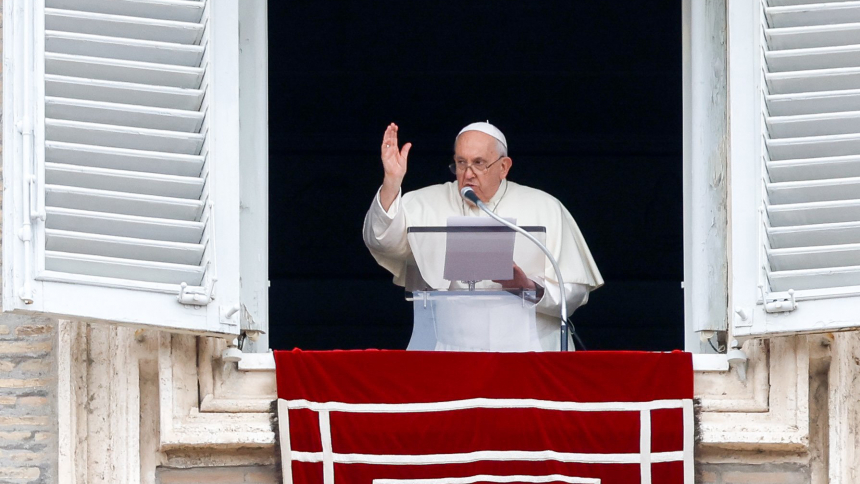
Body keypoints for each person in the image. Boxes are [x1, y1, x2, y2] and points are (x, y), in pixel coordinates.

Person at [363, 121, 603, 351]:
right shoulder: (426, 202)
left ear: (504, 167)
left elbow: (574, 292)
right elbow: (383, 241)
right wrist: (392, 182)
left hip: (528, 352)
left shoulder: (545, 207)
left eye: (479, 163)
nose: (468, 174)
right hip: (451, 352)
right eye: (460, 162)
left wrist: (529, 287)